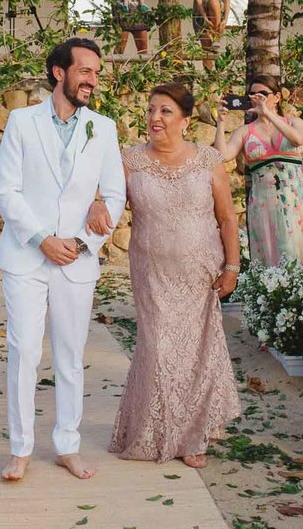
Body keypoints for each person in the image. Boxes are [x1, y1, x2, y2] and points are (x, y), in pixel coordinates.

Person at [0, 38, 126, 482]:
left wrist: (87, 237)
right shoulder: (22, 121)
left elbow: (114, 194)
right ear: (59, 72)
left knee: (70, 356)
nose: (92, 79)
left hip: (78, 258)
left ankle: (67, 443)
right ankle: (21, 448)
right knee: (24, 351)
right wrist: (41, 239)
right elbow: (5, 192)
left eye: (96, 73)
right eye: (84, 70)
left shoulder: (103, 128)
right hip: (26, 256)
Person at [109, 83, 241, 468]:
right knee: (158, 349)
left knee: (197, 353)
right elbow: (108, 203)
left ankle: (193, 437)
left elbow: (227, 218)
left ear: (185, 119)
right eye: (151, 110)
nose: (155, 118)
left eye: (165, 111)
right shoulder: (130, 161)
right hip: (152, 272)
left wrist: (232, 266)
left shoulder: (208, 160)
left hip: (200, 273)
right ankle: (152, 430)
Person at [214, 76, 303, 273]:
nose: (257, 98)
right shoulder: (245, 131)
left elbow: (299, 139)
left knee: (301, 253)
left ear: (276, 97)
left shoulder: (294, 122)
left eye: (263, 94)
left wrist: (268, 114)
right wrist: (221, 123)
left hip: (296, 200)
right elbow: (224, 155)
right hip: (264, 203)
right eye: (252, 94)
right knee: (271, 258)